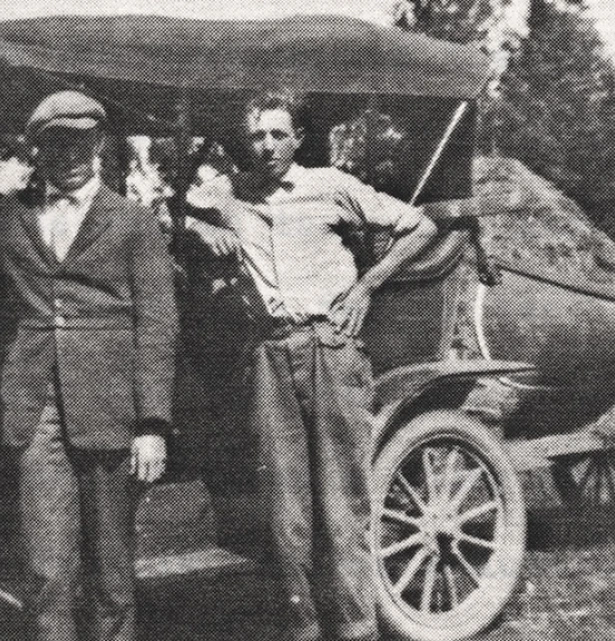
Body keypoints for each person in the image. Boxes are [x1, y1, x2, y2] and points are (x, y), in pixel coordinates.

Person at [0, 90, 177, 641]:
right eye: (53, 143)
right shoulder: (14, 213)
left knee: (111, 572)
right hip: (35, 411)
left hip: (113, 411)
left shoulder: (134, 222)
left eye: (78, 140)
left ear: (97, 143)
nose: (67, 153)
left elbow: (159, 325)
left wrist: (152, 426)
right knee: (47, 571)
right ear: (37, 150)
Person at [185, 88, 437, 641]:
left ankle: (356, 630)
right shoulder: (229, 193)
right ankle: (302, 630)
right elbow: (180, 214)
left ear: (297, 139)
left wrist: (368, 286)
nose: (268, 145)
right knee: (285, 510)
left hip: (330, 348)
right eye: (257, 136)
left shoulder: (331, 187)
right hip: (269, 356)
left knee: (343, 504)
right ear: (244, 144)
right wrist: (207, 227)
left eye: (279, 134)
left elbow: (421, 226)